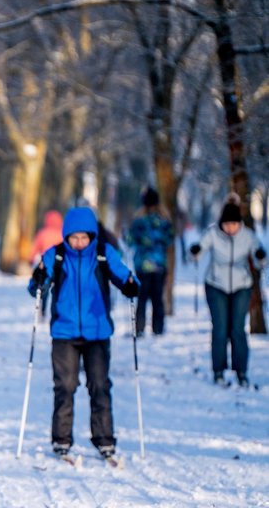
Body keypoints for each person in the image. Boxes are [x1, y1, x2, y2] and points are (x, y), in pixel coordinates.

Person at [28, 206, 140, 462]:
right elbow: (36, 287)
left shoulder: (103, 254)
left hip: (97, 332)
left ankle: (104, 439)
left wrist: (132, 285)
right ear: (66, 236)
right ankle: (61, 439)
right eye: (74, 237)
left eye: (84, 237)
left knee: (99, 386)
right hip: (64, 332)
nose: (79, 243)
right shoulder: (55, 255)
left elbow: (124, 277)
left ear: (92, 236)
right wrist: (38, 279)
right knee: (65, 386)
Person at [189, 198, 266, 388]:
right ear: (221, 223)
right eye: (227, 224)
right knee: (220, 328)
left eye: (234, 224)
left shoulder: (247, 235)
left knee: (238, 329)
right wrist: (196, 250)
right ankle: (218, 371)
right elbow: (200, 248)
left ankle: (241, 372)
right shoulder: (213, 234)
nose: (230, 228)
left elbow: (258, 252)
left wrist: (260, 256)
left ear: (239, 223)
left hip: (241, 285)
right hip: (216, 285)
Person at [125, 187, 175, 336]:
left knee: (141, 298)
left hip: (142, 265)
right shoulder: (165, 221)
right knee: (157, 298)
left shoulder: (138, 221)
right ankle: (158, 329)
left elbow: (130, 241)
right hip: (160, 265)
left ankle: (139, 328)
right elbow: (170, 239)